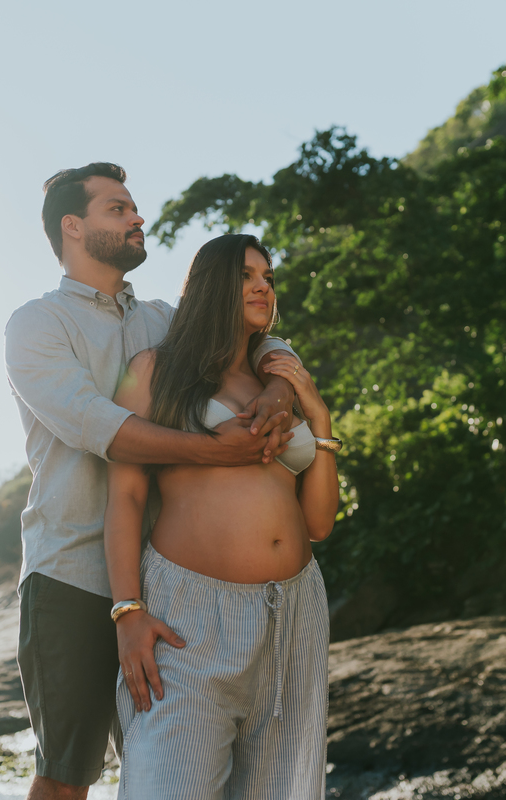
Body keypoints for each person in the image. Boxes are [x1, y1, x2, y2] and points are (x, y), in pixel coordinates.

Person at [5, 164, 303, 800]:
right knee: (66, 777)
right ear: (74, 227)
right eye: (118, 209)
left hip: (173, 583)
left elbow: (255, 341)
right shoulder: (37, 325)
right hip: (74, 579)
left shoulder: (165, 323)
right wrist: (214, 453)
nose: (138, 218)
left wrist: (280, 384)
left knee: (165, 770)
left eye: (134, 208)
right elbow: (100, 426)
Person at [104, 233, 340, 800]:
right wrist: (127, 611)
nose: (263, 284)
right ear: (211, 285)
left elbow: (319, 524)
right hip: (189, 616)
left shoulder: (277, 380)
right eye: (245, 275)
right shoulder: (154, 370)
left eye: (268, 276)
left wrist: (321, 421)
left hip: (295, 613)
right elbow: (126, 497)